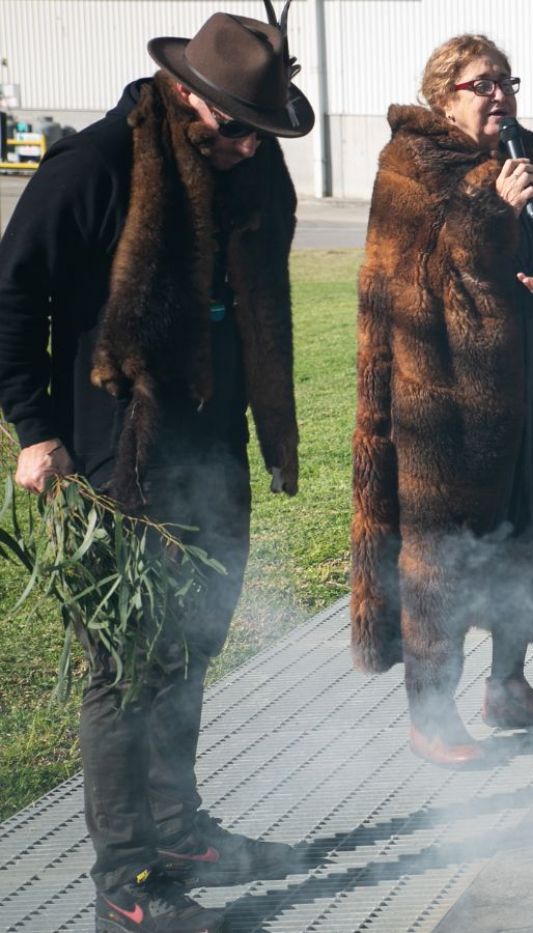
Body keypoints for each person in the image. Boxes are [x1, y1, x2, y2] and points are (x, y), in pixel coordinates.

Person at [0, 7, 312, 929]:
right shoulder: (96, 165)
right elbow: (12, 298)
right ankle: (125, 881)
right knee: (126, 666)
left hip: (211, 446)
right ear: (187, 94)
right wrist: (34, 430)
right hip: (114, 452)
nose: (250, 149)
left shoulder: (252, 167)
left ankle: (179, 829)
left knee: (193, 646)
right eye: (235, 129)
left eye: (264, 133)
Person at [351, 35, 533, 771]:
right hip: (445, 400)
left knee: (532, 532)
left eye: (505, 81)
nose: (498, 95)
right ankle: (431, 710)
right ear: (444, 93)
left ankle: (508, 687)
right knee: (442, 557)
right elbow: (416, 278)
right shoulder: (412, 165)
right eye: (481, 84)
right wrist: (488, 208)